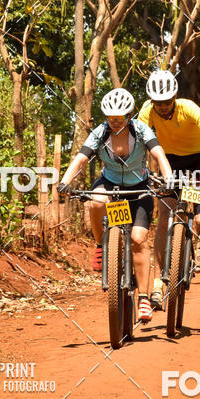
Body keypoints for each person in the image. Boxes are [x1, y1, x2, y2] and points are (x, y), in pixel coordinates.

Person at [58, 87, 173, 322]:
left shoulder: (140, 130)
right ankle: (102, 245)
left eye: (119, 118)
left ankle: (143, 298)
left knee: (138, 240)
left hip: (139, 187)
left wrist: (168, 180)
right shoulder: (100, 133)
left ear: (129, 116)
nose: (115, 122)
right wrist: (64, 182)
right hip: (110, 184)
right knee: (96, 202)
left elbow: (160, 156)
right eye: (111, 118)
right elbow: (80, 159)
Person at [138, 70, 200, 309]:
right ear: (151, 101)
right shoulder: (147, 112)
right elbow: (139, 143)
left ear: (175, 97)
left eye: (167, 102)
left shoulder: (189, 108)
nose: (162, 107)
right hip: (170, 161)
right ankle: (158, 282)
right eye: (157, 103)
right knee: (164, 217)